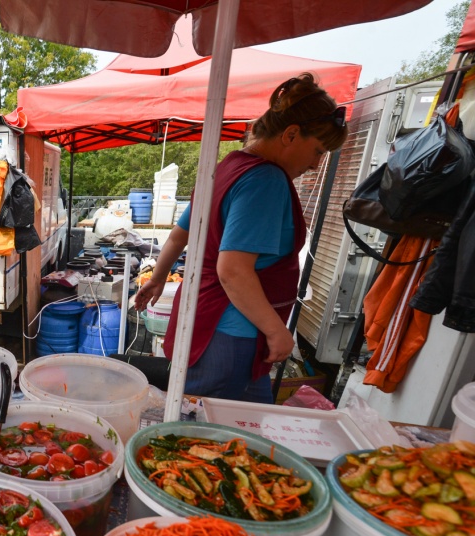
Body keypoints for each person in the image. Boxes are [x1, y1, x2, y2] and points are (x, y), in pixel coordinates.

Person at [132, 73, 347, 403]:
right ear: (291, 134)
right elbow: (232, 270)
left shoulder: (226, 168)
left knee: (242, 419)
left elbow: (178, 236)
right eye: (317, 151)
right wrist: (277, 330)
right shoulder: (265, 180)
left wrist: (158, 279)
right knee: (206, 430)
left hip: (200, 320)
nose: (316, 165)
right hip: (230, 336)